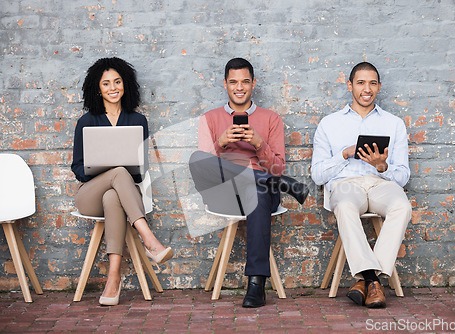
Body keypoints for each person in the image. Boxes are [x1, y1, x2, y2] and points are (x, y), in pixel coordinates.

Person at [189, 58, 309, 308]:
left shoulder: (271, 119)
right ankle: (279, 184)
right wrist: (220, 142)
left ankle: (256, 285)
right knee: (197, 159)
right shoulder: (209, 119)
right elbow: (203, 167)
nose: (239, 87)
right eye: (233, 82)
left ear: (254, 83)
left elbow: (278, 167)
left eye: (245, 81)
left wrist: (258, 144)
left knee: (258, 190)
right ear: (225, 84)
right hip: (222, 192)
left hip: (260, 191)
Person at [71, 57, 173, 306]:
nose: (113, 87)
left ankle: (113, 279)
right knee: (116, 174)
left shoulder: (138, 121)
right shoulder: (86, 122)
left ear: (125, 85)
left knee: (113, 196)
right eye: (106, 83)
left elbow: (141, 171)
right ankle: (148, 238)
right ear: (98, 88)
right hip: (89, 195)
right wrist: (105, 170)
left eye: (117, 81)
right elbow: (77, 168)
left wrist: (126, 171)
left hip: (120, 195)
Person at [311, 62, 412, 308]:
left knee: (402, 206)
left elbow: (404, 176)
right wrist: (344, 154)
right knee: (345, 206)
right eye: (360, 83)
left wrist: (382, 166)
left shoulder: (394, 123)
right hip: (346, 184)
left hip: (380, 182)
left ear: (378, 87)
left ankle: (367, 281)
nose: (367, 89)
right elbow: (317, 175)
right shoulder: (329, 123)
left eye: (372, 83)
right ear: (350, 86)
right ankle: (372, 280)